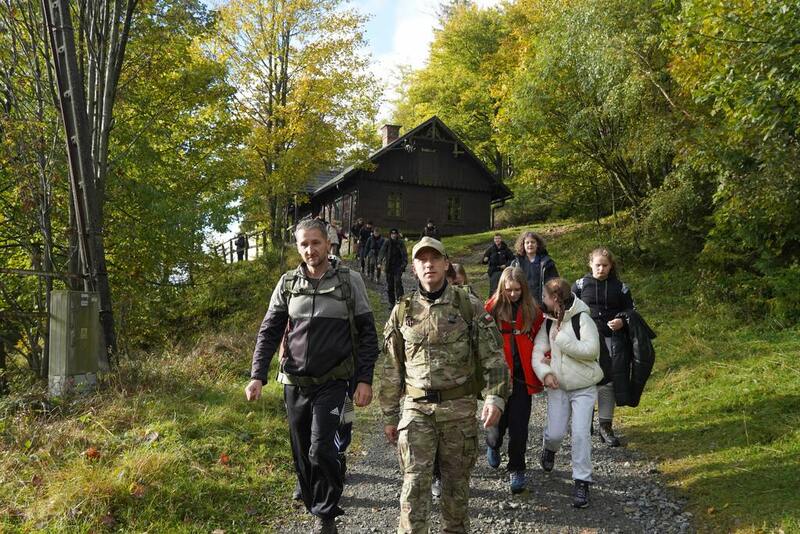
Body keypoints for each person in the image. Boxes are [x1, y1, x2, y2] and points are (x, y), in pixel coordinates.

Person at [245, 218, 379, 534]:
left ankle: (325, 514)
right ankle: (313, 494)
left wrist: (364, 379)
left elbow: (367, 334)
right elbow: (269, 331)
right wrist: (257, 376)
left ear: (328, 244)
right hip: (294, 383)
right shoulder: (288, 284)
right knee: (303, 453)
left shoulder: (349, 282)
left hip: (333, 382)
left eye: (315, 243)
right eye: (303, 244)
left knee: (321, 449)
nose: (309, 250)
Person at [381, 236, 510, 534]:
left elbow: (494, 357)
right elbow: (391, 368)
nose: (429, 264)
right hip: (416, 412)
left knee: (455, 493)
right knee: (413, 489)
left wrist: (495, 398)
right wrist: (389, 415)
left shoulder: (469, 306)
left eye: (435, 258)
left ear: (445, 263)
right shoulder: (403, 311)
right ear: (414, 268)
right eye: (422, 260)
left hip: (459, 412)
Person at [533, 278, 602, 509]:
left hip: (584, 388)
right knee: (554, 434)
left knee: (581, 434)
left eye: (544, 297)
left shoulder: (583, 318)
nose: (542, 301)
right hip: (558, 388)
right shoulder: (547, 322)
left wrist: (561, 339)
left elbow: (591, 351)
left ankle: (582, 481)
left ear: (555, 299)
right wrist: (545, 373)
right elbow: (537, 353)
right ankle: (549, 449)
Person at [484, 267, 545, 493]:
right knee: (499, 423)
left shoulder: (532, 310)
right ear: (502, 288)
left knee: (519, 427)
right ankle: (493, 444)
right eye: (508, 290)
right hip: (499, 376)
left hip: (522, 376)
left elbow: (542, 336)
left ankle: (517, 467)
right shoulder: (491, 308)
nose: (513, 294)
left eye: (517, 290)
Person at [573, 247, 636, 447]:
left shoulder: (621, 287)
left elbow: (631, 312)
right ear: (590, 264)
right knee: (587, 380)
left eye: (605, 265)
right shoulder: (580, 285)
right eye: (597, 264)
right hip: (586, 342)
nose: (601, 268)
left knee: (608, 383)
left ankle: (605, 426)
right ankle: (584, 423)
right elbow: (566, 309)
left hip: (612, 341)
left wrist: (622, 321)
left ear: (611, 267)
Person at [510, 231, 559, 305]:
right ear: (523, 245)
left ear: (537, 244)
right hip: (522, 303)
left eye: (533, 242)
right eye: (527, 242)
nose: (530, 245)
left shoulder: (547, 263)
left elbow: (555, 282)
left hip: (542, 304)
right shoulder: (516, 263)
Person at [378, 228, 407, 306]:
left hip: (398, 266)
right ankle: (391, 302)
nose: (393, 235)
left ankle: (400, 301)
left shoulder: (400, 243)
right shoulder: (387, 242)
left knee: (398, 283)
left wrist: (404, 264)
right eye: (392, 234)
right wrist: (379, 262)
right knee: (390, 286)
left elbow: (404, 254)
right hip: (389, 267)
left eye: (395, 234)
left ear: (397, 235)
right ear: (390, 235)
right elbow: (382, 252)